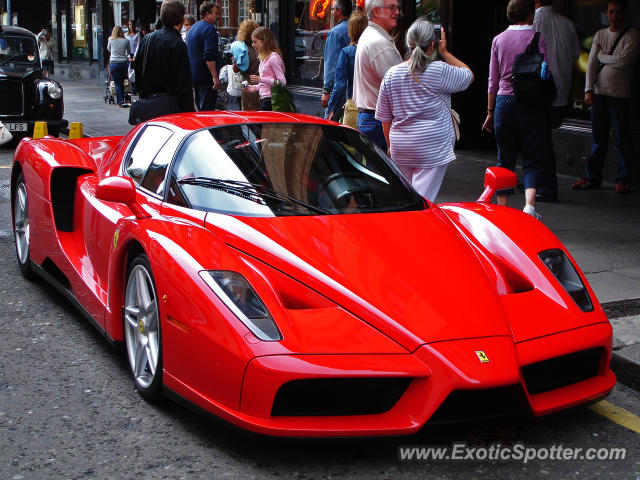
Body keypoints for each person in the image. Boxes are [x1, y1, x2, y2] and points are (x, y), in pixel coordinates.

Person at [376, 19, 473, 202]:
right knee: (421, 202)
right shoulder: (440, 71)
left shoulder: (391, 74)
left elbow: (385, 117)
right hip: (432, 146)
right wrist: (445, 52)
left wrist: (390, 146)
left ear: (408, 43)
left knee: (404, 198)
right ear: (432, 45)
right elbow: (468, 75)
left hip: (401, 145)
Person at [482, 0, 551, 219]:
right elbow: (544, 71)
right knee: (532, 156)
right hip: (530, 102)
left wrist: (490, 111)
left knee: (505, 157)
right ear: (530, 16)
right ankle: (529, 206)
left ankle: (503, 208)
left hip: (504, 102)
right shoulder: (537, 38)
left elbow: (492, 79)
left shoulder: (498, 40)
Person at [571, 0, 640, 194]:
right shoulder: (601, 34)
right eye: (611, 12)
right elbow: (591, 64)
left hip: (620, 95)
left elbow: (624, 62)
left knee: (622, 138)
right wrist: (588, 89)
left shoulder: (632, 35)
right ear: (607, 14)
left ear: (624, 14)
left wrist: (603, 56)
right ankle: (592, 176)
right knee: (598, 138)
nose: (614, 15)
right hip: (599, 94)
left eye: (618, 12)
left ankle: (623, 178)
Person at [533, 0, 580, 202]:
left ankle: (545, 185)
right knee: (542, 138)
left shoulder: (532, 22)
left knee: (539, 140)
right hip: (561, 89)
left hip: (539, 90)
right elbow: (576, 54)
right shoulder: (567, 23)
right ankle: (536, 180)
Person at [353, 0, 403, 150]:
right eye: (392, 8)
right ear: (376, 11)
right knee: (387, 172)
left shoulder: (372, 36)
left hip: (373, 119)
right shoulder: (378, 42)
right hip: (378, 122)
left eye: (397, 7)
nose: (397, 12)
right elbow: (400, 87)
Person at [134, 0, 195, 114]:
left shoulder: (146, 39)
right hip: (169, 106)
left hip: (147, 103)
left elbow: (137, 71)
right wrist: (189, 111)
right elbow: (182, 83)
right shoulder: (177, 44)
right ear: (182, 20)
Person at [326, 11, 368, 127]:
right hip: (373, 109)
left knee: (349, 145)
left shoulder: (347, 52)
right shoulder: (374, 50)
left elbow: (339, 86)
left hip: (353, 106)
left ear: (351, 31)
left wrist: (330, 111)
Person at [186, 1, 222, 111]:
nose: (218, 16)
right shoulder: (209, 29)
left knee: (200, 108)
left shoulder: (193, 29)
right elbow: (209, 55)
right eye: (216, 13)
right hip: (206, 78)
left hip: (194, 76)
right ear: (207, 14)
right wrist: (215, 77)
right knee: (207, 111)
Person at [321, 0, 352, 118]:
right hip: (355, 91)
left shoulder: (335, 33)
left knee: (331, 126)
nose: (332, 12)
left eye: (333, 9)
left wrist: (326, 91)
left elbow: (331, 64)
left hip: (339, 90)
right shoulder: (358, 29)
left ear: (339, 11)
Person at [247, 26, 286, 111]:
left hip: (271, 101)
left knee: (257, 124)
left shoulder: (273, 58)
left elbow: (282, 82)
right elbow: (266, 84)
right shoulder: (264, 58)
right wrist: (254, 88)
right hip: (265, 100)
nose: (253, 45)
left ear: (264, 41)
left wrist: (261, 79)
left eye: (255, 42)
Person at [233, 19, 260, 110]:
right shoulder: (260, 48)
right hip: (261, 85)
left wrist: (234, 60)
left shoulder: (242, 50)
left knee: (248, 112)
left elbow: (236, 69)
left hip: (247, 84)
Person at [107, 26, 131, 106]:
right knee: (123, 81)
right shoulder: (126, 41)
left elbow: (109, 49)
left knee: (117, 82)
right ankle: (125, 97)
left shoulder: (110, 40)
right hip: (123, 63)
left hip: (113, 62)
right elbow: (128, 52)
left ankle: (120, 101)